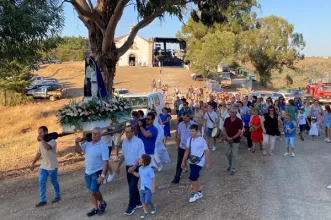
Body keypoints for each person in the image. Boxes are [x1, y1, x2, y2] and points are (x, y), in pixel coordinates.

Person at [74, 127, 108, 217]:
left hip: (97, 172)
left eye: (96, 134)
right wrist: (76, 143)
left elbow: (106, 162)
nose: (94, 135)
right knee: (93, 191)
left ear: (100, 135)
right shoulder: (88, 144)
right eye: (93, 133)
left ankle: (101, 204)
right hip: (87, 172)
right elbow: (78, 151)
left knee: (93, 191)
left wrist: (103, 175)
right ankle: (97, 207)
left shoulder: (103, 146)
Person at [116, 125, 145, 216]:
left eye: (128, 132)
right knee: (131, 186)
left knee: (132, 186)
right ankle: (138, 202)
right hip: (128, 167)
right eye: (125, 132)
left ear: (133, 132)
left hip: (136, 167)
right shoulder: (125, 142)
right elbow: (123, 155)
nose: (126, 133)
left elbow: (141, 156)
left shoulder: (138, 141)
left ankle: (131, 206)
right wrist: (118, 166)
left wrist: (134, 166)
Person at [30, 126, 60, 207]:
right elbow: (39, 153)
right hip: (43, 166)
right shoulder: (41, 142)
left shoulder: (53, 141)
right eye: (38, 133)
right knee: (41, 182)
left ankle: (57, 196)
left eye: (41, 133)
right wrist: (33, 163)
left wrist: (41, 139)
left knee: (54, 181)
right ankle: (42, 200)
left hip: (52, 166)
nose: (39, 135)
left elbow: (47, 148)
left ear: (46, 132)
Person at [181, 124, 210, 203]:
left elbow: (206, 151)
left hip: (200, 161)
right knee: (196, 176)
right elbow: (187, 150)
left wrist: (207, 162)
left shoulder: (201, 140)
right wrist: (183, 161)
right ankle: (199, 191)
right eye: (190, 131)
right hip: (192, 160)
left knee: (192, 176)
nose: (191, 133)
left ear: (197, 131)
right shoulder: (189, 139)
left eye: (193, 131)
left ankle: (194, 192)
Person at [172, 112, 196, 184]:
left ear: (189, 117)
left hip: (191, 147)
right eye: (183, 118)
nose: (184, 119)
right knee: (179, 162)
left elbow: (197, 136)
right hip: (182, 147)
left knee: (192, 162)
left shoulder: (193, 125)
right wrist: (177, 145)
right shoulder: (180, 124)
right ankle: (177, 177)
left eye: (185, 118)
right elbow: (178, 135)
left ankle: (194, 177)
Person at [223, 107, 243, 175]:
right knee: (227, 153)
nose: (230, 113)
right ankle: (230, 165)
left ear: (236, 113)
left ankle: (233, 168)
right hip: (227, 139)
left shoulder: (239, 121)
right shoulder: (227, 119)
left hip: (236, 140)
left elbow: (239, 131)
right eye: (230, 112)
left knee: (234, 155)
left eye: (232, 112)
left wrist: (232, 138)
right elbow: (224, 129)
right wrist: (227, 137)